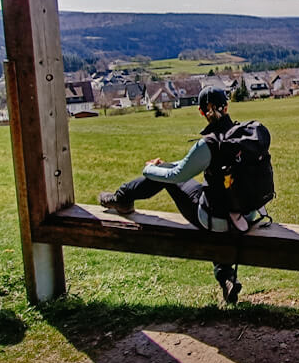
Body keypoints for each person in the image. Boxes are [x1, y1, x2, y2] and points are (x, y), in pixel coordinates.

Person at [98, 85, 267, 303]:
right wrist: (168, 166)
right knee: (215, 198)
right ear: (227, 106)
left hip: (216, 220)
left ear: (200, 111)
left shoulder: (208, 144)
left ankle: (121, 199)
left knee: (169, 179)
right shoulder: (243, 136)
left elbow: (175, 176)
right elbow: (191, 167)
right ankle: (226, 278)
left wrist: (149, 168)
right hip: (247, 214)